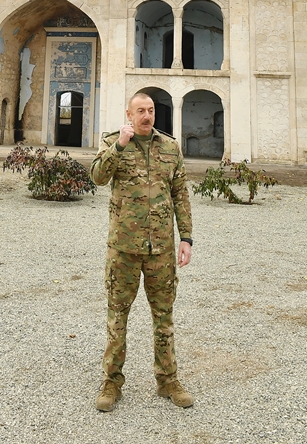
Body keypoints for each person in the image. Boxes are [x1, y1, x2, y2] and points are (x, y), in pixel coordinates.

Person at [90, 92, 194, 411]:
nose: (147, 116)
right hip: (123, 248)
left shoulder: (170, 147)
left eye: (150, 110)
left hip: (160, 248)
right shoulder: (113, 143)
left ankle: (168, 380)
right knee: (118, 315)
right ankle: (111, 383)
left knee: (164, 316)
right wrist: (119, 146)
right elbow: (97, 177)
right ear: (129, 114)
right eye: (140, 111)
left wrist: (186, 238)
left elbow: (180, 194)